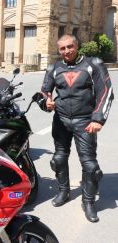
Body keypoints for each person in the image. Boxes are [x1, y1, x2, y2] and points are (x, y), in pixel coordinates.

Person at [41, 34, 114, 222]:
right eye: (62, 48)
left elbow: (106, 91)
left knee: (90, 165)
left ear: (77, 45)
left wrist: (98, 119)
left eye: (70, 47)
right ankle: (63, 191)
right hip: (61, 120)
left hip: (85, 121)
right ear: (59, 50)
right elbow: (45, 90)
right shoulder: (54, 67)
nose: (66, 51)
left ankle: (88, 202)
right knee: (58, 158)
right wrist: (46, 101)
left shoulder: (93, 64)